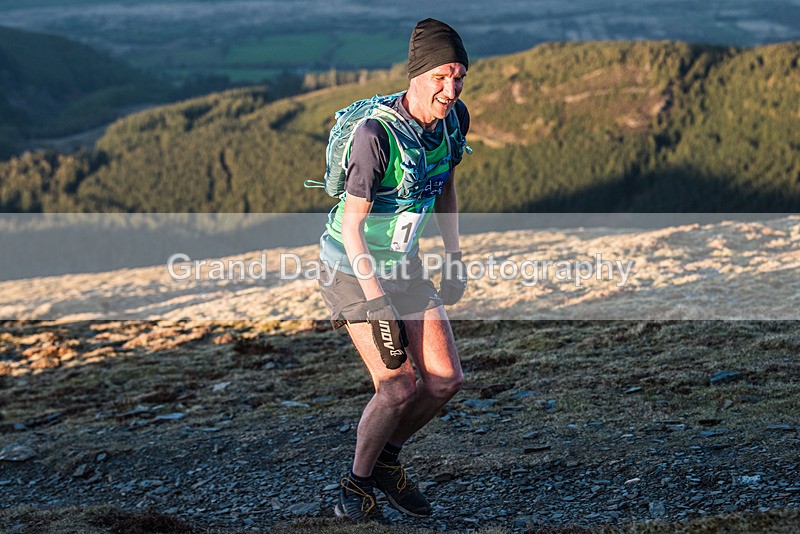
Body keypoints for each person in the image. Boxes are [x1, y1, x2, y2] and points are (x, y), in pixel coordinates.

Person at [317, 18, 471, 523]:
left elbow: (445, 188)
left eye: (459, 78)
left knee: (445, 379)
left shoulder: (453, 121)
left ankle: (386, 460)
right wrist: (378, 303)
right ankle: (354, 488)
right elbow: (355, 227)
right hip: (350, 266)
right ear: (416, 75)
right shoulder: (374, 136)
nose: (451, 90)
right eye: (440, 78)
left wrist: (453, 255)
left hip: (402, 264)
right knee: (399, 385)